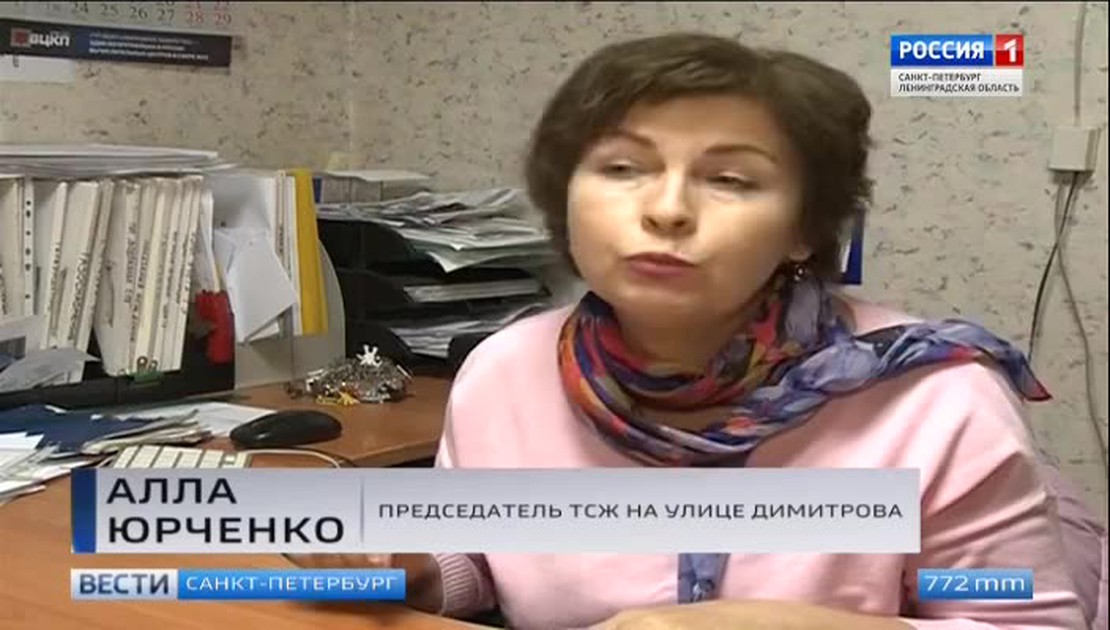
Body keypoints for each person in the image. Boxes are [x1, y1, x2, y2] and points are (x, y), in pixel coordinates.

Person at [293, 33, 1105, 629]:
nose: (667, 208)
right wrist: (410, 570)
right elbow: (483, 556)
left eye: (730, 179)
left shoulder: (935, 402)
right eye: (622, 168)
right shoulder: (507, 372)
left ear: (805, 229)